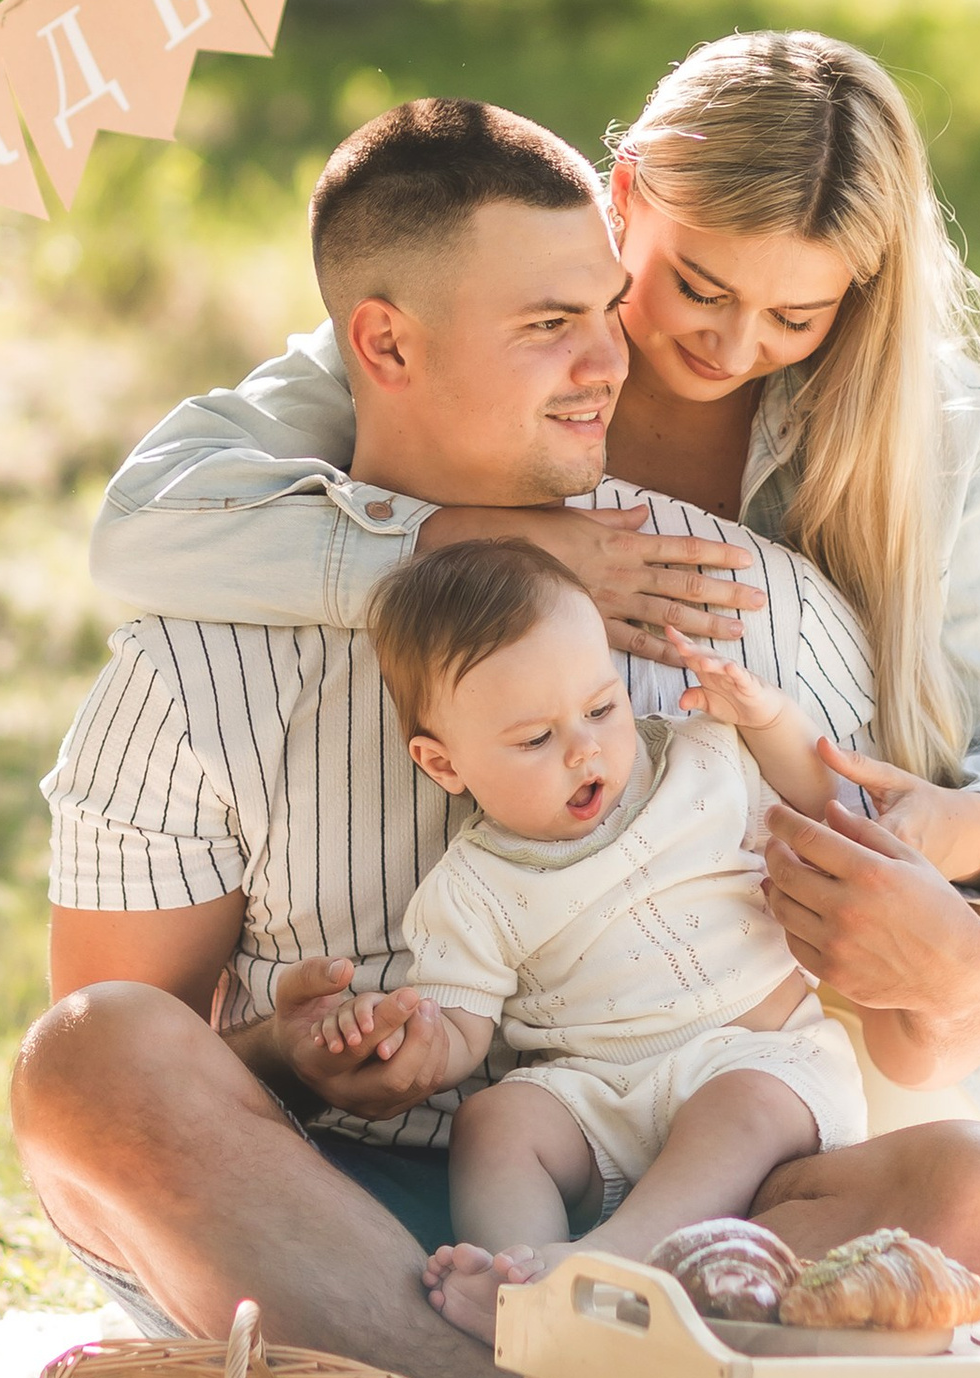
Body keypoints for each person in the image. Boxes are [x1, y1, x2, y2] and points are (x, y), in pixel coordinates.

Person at [15, 97, 980, 1378]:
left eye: (606, 310)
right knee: (85, 1056)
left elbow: (892, 1014)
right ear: (386, 345)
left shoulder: (738, 613)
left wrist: (961, 950)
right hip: (321, 1226)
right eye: (555, 322)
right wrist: (301, 1058)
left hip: (665, 1215)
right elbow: (138, 1081)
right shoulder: (198, 660)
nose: (615, 359)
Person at [91, 29, 980, 1160]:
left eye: (796, 318)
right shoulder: (491, 333)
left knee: (943, 1161)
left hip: (841, 931)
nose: (733, 343)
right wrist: (482, 541)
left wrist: (945, 833)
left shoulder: (928, 432)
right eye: (698, 286)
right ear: (627, 201)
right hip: (544, 973)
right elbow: (148, 524)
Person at [352, 533, 874, 1334]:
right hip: (599, 1096)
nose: (584, 747)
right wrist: (413, 1042)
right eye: (535, 739)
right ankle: (523, 1287)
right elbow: (462, 1031)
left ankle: (614, 1261)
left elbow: (819, 798)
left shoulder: (701, 761)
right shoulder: (472, 887)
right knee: (495, 1120)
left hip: (762, 1057)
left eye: (602, 706)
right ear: (443, 763)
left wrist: (768, 720)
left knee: (738, 1104)